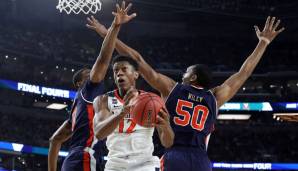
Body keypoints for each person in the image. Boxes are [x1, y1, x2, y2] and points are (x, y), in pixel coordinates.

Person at [88, 16, 284, 170]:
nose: (183, 73)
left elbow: (138, 60)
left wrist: (109, 35)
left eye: (187, 71)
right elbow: (244, 72)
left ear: (192, 78)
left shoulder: (173, 88)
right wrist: (263, 43)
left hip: (175, 155)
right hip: (201, 160)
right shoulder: (215, 97)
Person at [47, 2, 130, 170]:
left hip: (75, 160)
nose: (92, 74)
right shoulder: (88, 90)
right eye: (88, 74)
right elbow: (103, 59)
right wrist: (114, 27)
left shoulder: (77, 110)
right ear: (80, 83)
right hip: (85, 157)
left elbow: (54, 140)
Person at [91, 3, 174, 171]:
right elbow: (99, 133)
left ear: (136, 74)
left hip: (145, 165)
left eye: (124, 70)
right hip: (115, 165)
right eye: (115, 71)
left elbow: (168, 142)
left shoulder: (153, 101)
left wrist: (166, 126)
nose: (119, 74)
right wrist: (122, 113)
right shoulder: (104, 99)